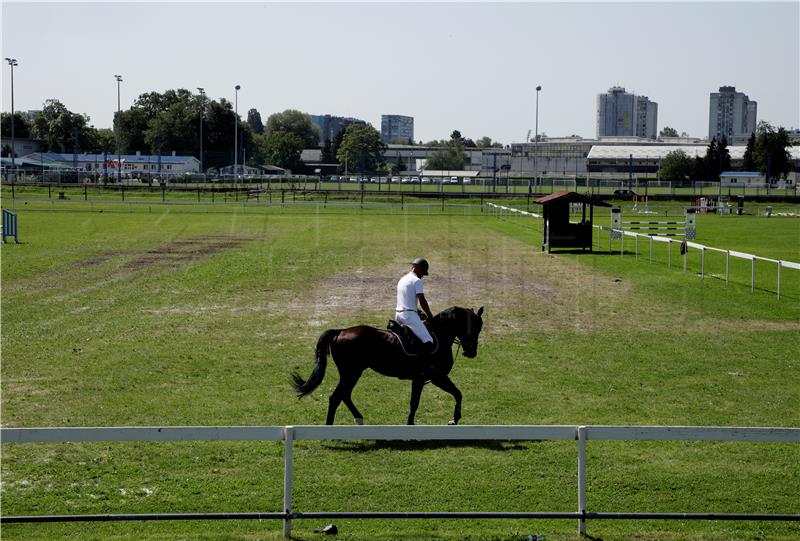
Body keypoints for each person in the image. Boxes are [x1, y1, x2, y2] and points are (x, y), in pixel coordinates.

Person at [395, 258, 434, 354]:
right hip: (409, 317)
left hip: (398, 316)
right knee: (428, 341)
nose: (422, 276)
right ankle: (422, 366)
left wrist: (418, 312)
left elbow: (406, 300)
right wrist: (429, 315)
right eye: (423, 272)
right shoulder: (416, 281)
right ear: (419, 269)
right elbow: (422, 300)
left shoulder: (402, 279)